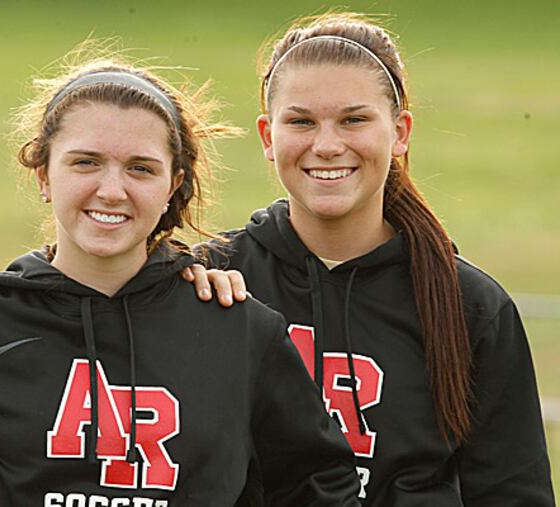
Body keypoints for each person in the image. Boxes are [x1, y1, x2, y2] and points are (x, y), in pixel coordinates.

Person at [0, 47, 361, 506]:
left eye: (141, 169)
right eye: (85, 162)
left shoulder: (238, 331)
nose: (111, 191)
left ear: (172, 185)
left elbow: (319, 483)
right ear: (44, 173)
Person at [191, 12, 555, 506]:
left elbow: (512, 493)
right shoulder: (210, 281)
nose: (326, 145)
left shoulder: (469, 305)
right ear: (267, 138)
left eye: (354, 119)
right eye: (300, 121)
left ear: (400, 132)